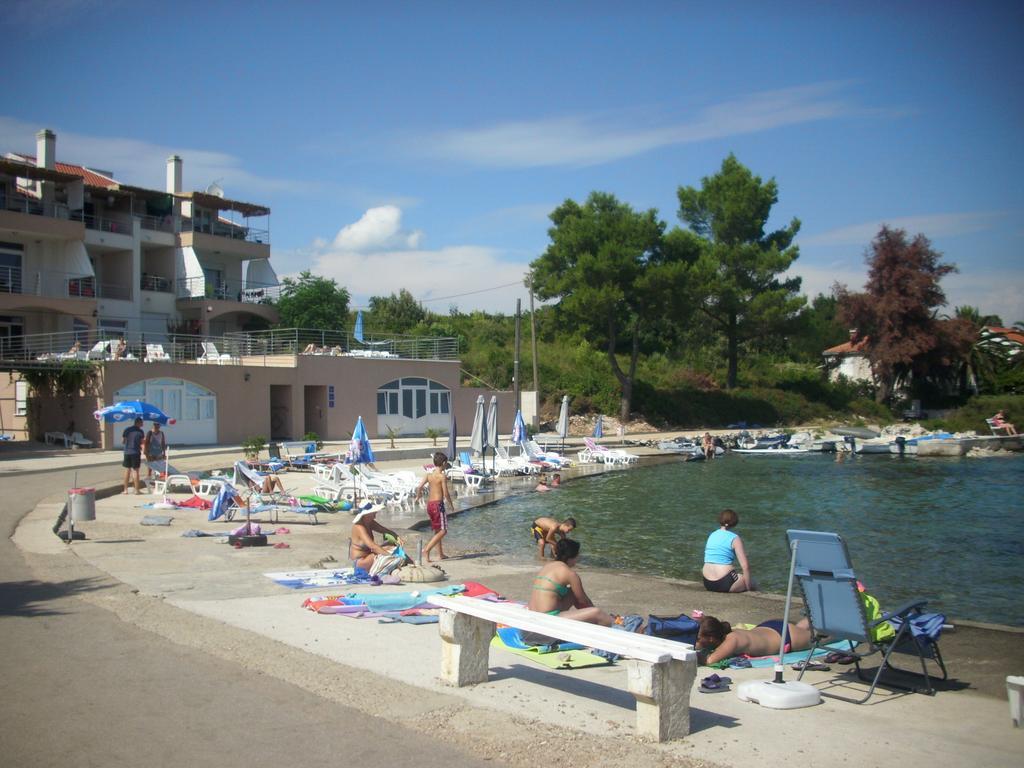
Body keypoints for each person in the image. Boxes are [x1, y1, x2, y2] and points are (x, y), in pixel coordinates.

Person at [527, 538, 615, 626]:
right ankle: (615, 624)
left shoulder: (547, 566)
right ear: (571, 558)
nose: (578, 558)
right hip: (548, 621)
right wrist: (595, 613)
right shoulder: (570, 574)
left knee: (572, 592)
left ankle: (587, 617)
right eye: (577, 556)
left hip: (533, 614)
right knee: (598, 614)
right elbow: (583, 601)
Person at [695, 614, 813, 665]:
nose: (695, 641)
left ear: (710, 638)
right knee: (800, 628)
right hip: (769, 628)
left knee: (825, 636)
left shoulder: (732, 639)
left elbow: (709, 661)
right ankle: (813, 617)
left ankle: (826, 615)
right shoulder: (724, 634)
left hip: (784, 637)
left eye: (698, 638)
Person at [702, 508, 755, 593]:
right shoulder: (734, 538)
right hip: (724, 582)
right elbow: (745, 566)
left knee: (741, 577)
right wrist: (748, 589)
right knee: (751, 581)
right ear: (734, 522)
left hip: (707, 582)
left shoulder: (712, 535)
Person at [415, 452, 455, 562]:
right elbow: (446, 493)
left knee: (437, 530)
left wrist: (418, 496)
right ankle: (427, 549)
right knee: (443, 530)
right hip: (438, 505)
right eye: (446, 464)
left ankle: (440, 554)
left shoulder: (429, 475)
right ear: (443, 463)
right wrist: (451, 504)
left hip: (430, 505)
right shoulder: (442, 476)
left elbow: (419, 487)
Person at [348, 505, 404, 571]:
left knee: (392, 547)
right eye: (373, 514)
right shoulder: (359, 527)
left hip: (368, 556)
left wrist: (397, 537)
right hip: (359, 561)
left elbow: (385, 530)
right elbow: (373, 547)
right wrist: (391, 557)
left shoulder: (369, 523)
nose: (375, 516)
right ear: (366, 514)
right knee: (388, 556)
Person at [122, 417, 145, 494]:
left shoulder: (127, 430)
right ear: (138, 423)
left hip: (127, 452)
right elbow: (142, 443)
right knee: (135, 471)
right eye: (141, 423)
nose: (142, 424)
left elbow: (123, 441)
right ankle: (136, 490)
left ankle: (125, 490)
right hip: (135, 452)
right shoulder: (140, 432)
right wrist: (144, 450)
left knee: (127, 470)